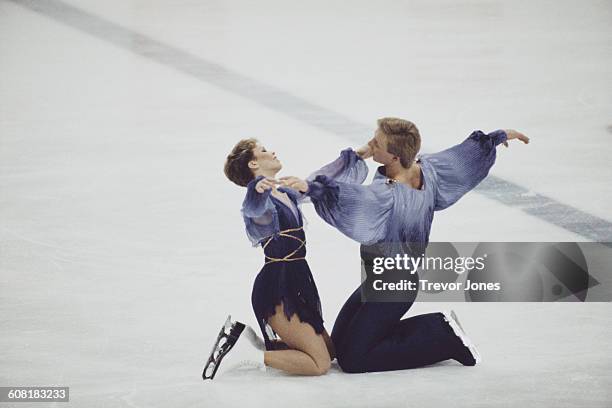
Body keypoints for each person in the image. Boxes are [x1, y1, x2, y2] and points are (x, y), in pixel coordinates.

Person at [280, 117, 529, 373]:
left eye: (377, 143)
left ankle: (443, 335)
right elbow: (461, 158)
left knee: (354, 361)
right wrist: (496, 137)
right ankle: (433, 329)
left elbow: (348, 197)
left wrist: (313, 188)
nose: (371, 143)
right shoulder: (428, 170)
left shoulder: (387, 196)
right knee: (340, 347)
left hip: (395, 285)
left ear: (394, 157)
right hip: (381, 278)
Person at [202, 139, 334, 380]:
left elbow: (318, 181)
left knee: (331, 351)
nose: (272, 151)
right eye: (263, 151)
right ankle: (246, 354)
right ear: (253, 163)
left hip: (298, 282)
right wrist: (256, 190)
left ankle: (253, 341)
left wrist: (355, 156)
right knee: (319, 364)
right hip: (277, 289)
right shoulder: (262, 202)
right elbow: (253, 210)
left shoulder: (283, 192)